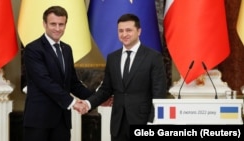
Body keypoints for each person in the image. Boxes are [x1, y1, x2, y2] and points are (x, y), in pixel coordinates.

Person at [78, 13, 167, 141]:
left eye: (129, 30)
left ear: (139, 31)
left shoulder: (153, 57)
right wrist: (87, 103)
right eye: (121, 31)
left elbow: (159, 94)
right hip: (118, 124)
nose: (124, 34)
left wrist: (153, 122)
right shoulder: (113, 58)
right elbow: (105, 89)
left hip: (143, 123)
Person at [23, 6, 93, 141]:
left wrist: (96, 99)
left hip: (62, 122)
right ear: (44, 24)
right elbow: (44, 82)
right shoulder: (33, 49)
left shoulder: (67, 49)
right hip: (39, 121)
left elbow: (73, 83)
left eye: (61, 24)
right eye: (53, 24)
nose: (57, 28)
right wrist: (73, 102)